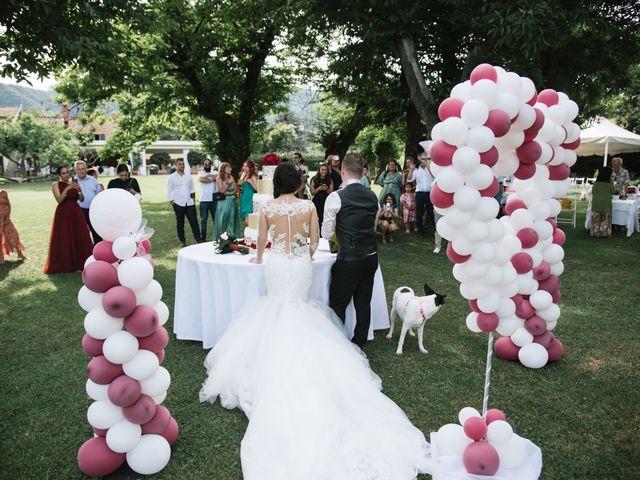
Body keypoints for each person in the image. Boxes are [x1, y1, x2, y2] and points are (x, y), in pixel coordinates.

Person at [200, 161, 430, 479]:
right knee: (300, 307)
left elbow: (262, 248)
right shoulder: (309, 205)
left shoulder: (267, 206)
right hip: (300, 265)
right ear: (298, 182)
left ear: (276, 183)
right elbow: (312, 243)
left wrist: (258, 257)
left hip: (278, 263)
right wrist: (303, 256)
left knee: (278, 308)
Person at [322, 153, 380, 348]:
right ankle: (359, 342)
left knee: (338, 303)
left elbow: (327, 233)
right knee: (363, 302)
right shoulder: (372, 195)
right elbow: (373, 224)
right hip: (371, 256)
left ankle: (336, 343)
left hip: (349, 259)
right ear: (362, 172)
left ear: (343, 170)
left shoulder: (336, 196)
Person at [44, 166, 94, 273]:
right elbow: (59, 199)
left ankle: (81, 262)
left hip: (76, 211)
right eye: (63, 173)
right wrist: (67, 188)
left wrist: (80, 191)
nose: (66, 175)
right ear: (59, 175)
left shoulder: (74, 183)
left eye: (67, 172)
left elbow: (81, 199)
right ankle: (66, 264)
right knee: (65, 236)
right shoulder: (56, 184)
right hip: (63, 212)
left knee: (78, 235)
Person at [167, 159, 200, 247]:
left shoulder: (188, 176)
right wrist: (172, 202)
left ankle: (198, 239)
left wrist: (193, 200)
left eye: (183, 164)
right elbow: (169, 191)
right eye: (180, 164)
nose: (182, 165)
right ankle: (182, 241)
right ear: (176, 165)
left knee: (194, 222)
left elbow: (192, 189)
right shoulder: (171, 177)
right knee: (180, 223)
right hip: (178, 203)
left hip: (189, 203)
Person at [410, 153, 437, 250]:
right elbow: (409, 179)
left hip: (430, 193)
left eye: (424, 159)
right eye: (421, 159)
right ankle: (420, 232)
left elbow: (435, 177)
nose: (422, 160)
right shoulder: (416, 170)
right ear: (418, 159)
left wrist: (429, 168)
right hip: (419, 193)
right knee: (419, 213)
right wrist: (411, 169)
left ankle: (436, 231)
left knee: (431, 212)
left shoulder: (431, 168)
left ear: (427, 159)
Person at [74, 160, 102, 244]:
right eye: (79, 169)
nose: (81, 171)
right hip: (79, 210)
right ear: (75, 170)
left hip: (93, 210)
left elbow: (99, 194)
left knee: (96, 231)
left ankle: (98, 250)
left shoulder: (92, 179)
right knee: (81, 232)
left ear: (86, 169)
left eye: (83, 169)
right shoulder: (73, 181)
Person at [213, 162, 240, 238]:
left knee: (232, 219)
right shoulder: (219, 178)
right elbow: (221, 191)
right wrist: (228, 184)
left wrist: (230, 193)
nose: (230, 169)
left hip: (232, 201)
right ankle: (222, 237)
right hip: (223, 202)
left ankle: (232, 236)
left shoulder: (231, 177)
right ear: (223, 169)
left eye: (230, 167)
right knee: (223, 219)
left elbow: (235, 188)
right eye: (228, 168)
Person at [0, 190, 27, 263]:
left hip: (6, 219)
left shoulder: (3, 192)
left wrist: (8, 216)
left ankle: (20, 254)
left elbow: (9, 205)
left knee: (13, 235)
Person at [589, 167, 614, 237]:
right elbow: (613, 191)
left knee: (596, 216)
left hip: (596, 201)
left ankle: (595, 232)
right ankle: (604, 233)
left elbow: (593, 191)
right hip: (606, 201)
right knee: (605, 217)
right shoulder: (610, 181)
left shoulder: (596, 181)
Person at [198, 159, 218, 242]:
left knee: (216, 219)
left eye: (208, 164)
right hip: (203, 200)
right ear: (203, 165)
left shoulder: (215, 172)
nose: (206, 166)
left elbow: (217, 178)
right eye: (205, 164)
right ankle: (203, 237)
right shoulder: (200, 172)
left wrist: (208, 176)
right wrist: (210, 179)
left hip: (214, 200)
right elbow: (201, 180)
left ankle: (217, 236)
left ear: (211, 164)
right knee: (203, 220)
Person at [310, 163, 333, 230]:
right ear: (319, 170)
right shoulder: (314, 179)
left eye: (325, 170)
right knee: (316, 218)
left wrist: (327, 189)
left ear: (327, 171)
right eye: (322, 169)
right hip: (317, 201)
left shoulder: (330, 179)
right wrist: (319, 188)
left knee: (324, 218)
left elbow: (331, 193)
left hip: (326, 201)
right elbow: (312, 192)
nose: (324, 171)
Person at [239, 159, 258, 223]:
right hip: (244, 198)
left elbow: (257, 189)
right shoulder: (244, 175)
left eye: (246, 166)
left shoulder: (252, 176)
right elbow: (242, 186)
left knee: (248, 219)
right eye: (244, 166)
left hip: (250, 198)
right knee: (245, 218)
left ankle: (253, 232)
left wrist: (250, 182)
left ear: (251, 167)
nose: (244, 168)